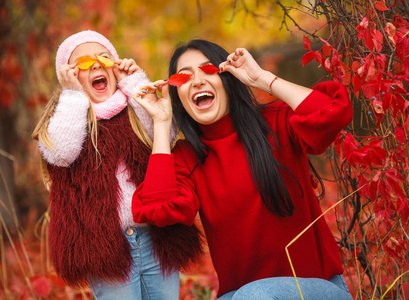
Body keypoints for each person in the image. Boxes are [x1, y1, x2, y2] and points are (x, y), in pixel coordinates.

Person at [132, 39, 353, 299]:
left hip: (317, 289)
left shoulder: (277, 121)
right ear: (177, 94)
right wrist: (160, 122)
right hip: (240, 296)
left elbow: (333, 111)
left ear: (228, 78)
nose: (198, 81)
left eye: (209, 70)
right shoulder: (187, 157)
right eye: (184, 77)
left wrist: (263, 78)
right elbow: (159, 208)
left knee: (254, 294)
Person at [32, 30, 203, 300]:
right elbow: (62, 152)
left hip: (156, 237)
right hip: (105, 246)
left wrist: (134, 83)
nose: (97, 64)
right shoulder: (67, 115)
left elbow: (163, 135)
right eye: (85, 62)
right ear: (69, 76)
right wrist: (73, 95)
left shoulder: (133, 108)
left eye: (104, 58)